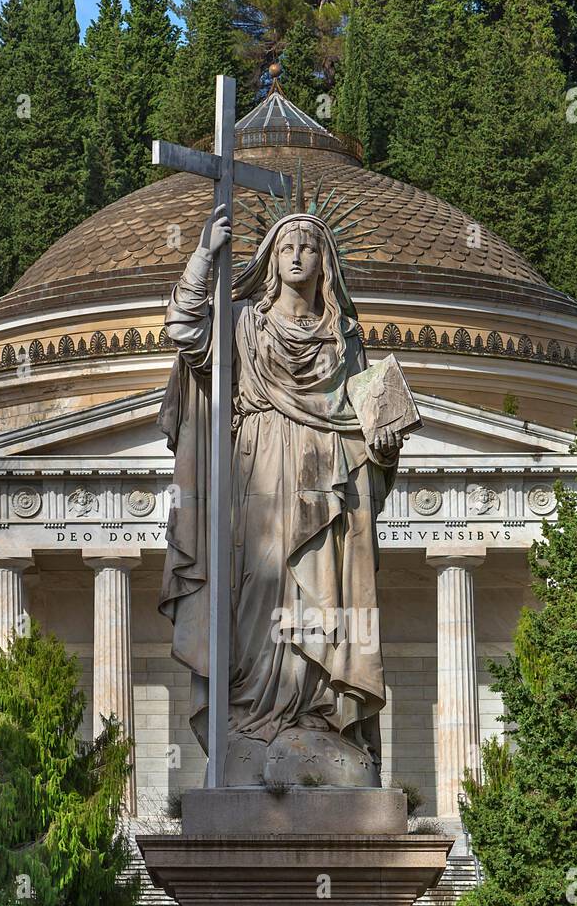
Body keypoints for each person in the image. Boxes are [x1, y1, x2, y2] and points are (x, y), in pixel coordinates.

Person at [158, 203, 405, 787]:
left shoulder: (346, 340)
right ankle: (251, 719)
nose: (297, 254)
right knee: (258, 598)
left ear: (326, 264)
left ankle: (319, 719)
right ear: (271, 261)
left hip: (326, 482)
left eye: (309, 247)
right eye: (287, 246)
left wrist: (388, 445)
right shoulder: (242, 324)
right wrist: (202, 258)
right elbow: (187, 332)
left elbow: (372, 434)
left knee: (325, 599)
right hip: (258, 477)